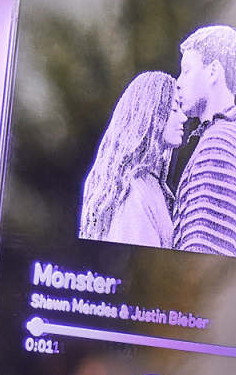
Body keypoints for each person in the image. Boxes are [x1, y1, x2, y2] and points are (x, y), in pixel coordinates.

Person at [172, 25, 236, 260]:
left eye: (186, 71)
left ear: (213, 72)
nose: (178, 82)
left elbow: (200, 256)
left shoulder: (220, 143)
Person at [79, 71, 187, 249]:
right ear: (152, 113)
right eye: (175, 109)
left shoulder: (150, 185)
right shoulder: (134, 192)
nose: (183, 118)